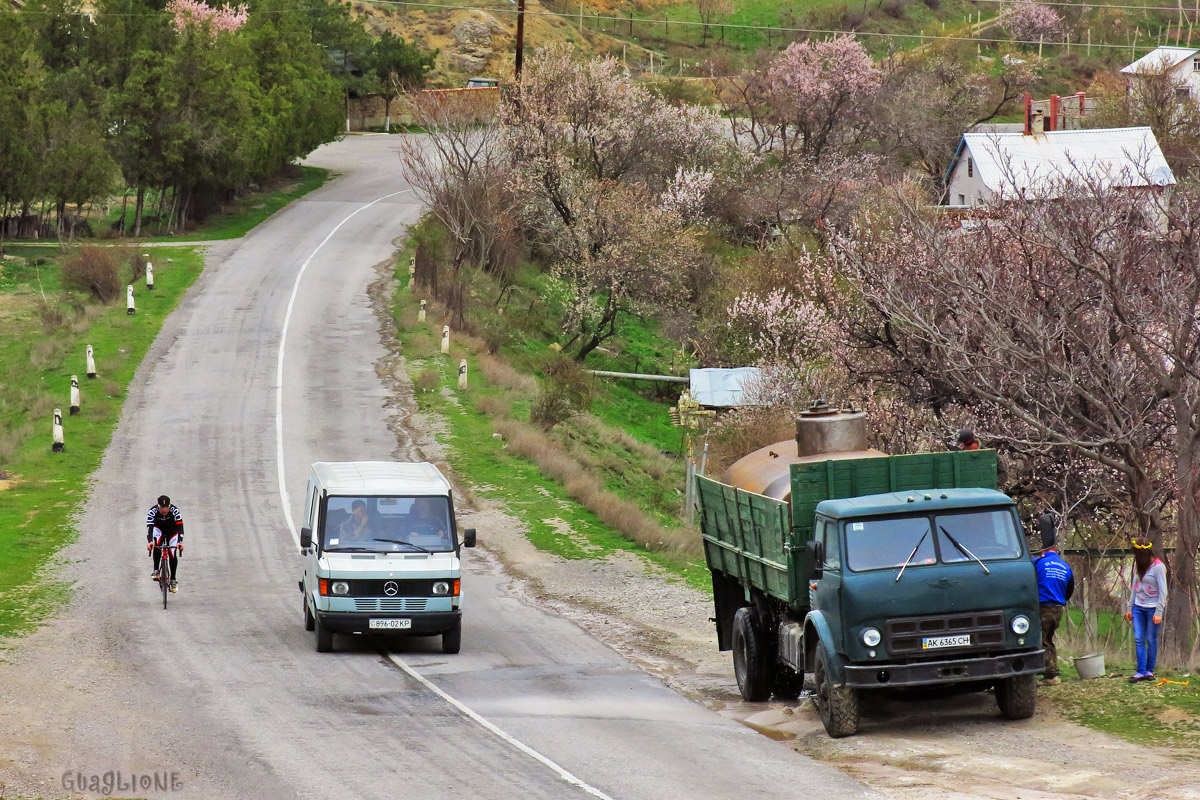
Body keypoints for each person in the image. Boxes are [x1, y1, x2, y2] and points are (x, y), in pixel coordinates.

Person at [1032, 516, 1074, 686]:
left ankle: (1050, 675)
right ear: (1056, 550)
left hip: (1043, 607)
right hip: (1058, 608)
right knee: (1048, 639)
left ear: (1044, 550)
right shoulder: (1065, 567)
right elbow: (1069, 589)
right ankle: (1051, 672)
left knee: (1040, 640)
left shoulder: (1038, 563)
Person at [1125, 536, 1168, 683]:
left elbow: (1163, 592)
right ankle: (1140, 671)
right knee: (1138, 639)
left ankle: (1149, 670)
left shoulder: (1158, 567)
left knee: (1150, 639)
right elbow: (1134, 588)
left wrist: (1159, 612)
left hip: (1152, 609)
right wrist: (1130, 607)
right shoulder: (1140, 567)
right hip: (1138, 608)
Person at [146, 494, 184, 593]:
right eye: (162, 508)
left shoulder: (175, 511)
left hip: (172, 531)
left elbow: (180, 527)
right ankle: (156, 570)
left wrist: (180, 542)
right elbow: (149, 528)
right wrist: (150, 541)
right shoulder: (152, 511)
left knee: (172, 552)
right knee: (157, 544)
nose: (164, 510)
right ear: (158, 506)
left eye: (166, 508)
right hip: (159, 530)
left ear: (169, 506)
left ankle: (173, 579)